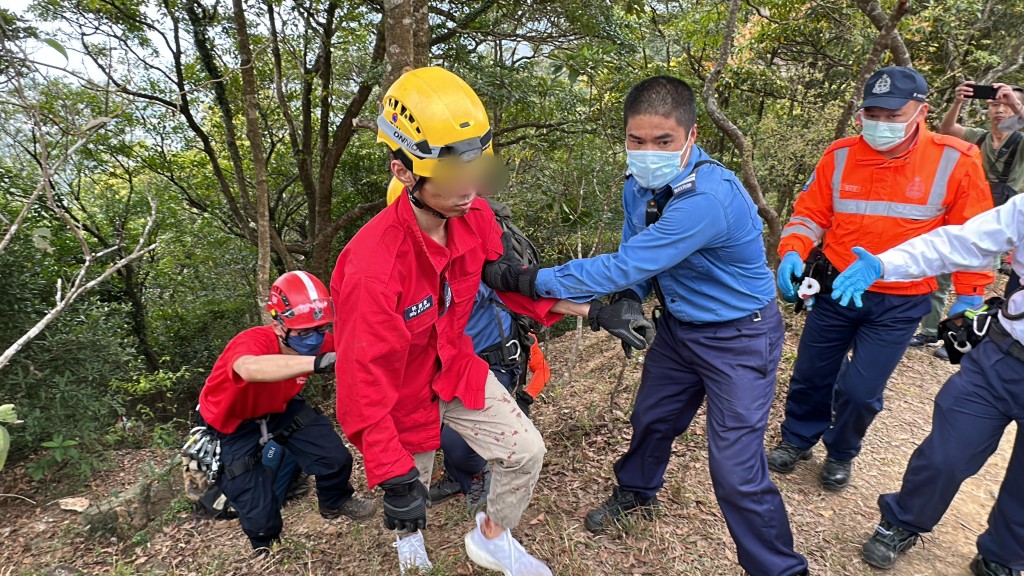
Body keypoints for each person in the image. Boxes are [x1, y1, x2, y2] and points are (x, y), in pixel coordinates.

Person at [331, 66, 652, 575]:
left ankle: (493, 538)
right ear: (403, 171)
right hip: (401, 394)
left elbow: (504, 286)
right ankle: (409, 543)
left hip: (457, 366)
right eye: (454, 177)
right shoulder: (371, 267)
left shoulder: (473, 216)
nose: (469, 189)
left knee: (525, 451)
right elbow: (360, 379)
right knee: (408, 489)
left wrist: (595, 312)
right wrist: (391, 478)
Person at [489, 75, 808, 576]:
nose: (648, 151)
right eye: (637, 141)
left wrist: (532, 280)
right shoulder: (637, 188)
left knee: (736, 470)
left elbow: (626, 262)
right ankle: (637, 492)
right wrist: (630, 301)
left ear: (691, 137)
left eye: (663, 142)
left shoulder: (706, 198)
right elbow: (637, 261)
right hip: (680, 330)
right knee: (652, 418)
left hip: (740, 337)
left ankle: (779, 569)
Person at [770, 66, 995, 492]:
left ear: (920, 112)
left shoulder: (955, 160)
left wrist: (971, 293)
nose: (882, 123)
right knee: (812, 373)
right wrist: (792, 251)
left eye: (893, 115)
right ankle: (798, 437)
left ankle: (841, 451)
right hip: (837, 286)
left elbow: (974, 235)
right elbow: (810, 213)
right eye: (873, 112)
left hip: (901, 299)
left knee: (861, 390)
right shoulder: (839, 155)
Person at [829, 194, 1024, 576]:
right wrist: (886, 263)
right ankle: (903, 520)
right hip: (1002, 357)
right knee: (946, 454)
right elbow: (960, 241)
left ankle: (1004, 555)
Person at [195, 271, 374, 553]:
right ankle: (264, 544)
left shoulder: (320, 341)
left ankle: (334, 501)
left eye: (320, 329)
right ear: (279, 326)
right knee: (258, 508)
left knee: (334, 457)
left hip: (279, 409)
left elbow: (362, 345)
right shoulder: (252, 341)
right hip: (232, 424)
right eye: (304, 332)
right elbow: (250, 368)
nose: (315, 339)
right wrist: (315, 363)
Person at [905, 82, 1024, 357]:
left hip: (1001, 224)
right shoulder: (979, 137)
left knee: (974, 278)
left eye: (1007, 104)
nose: (1000, 109)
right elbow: (949, 130)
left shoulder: (1019, 142)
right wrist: (958, 101)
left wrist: (1015, 103)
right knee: (941, 270)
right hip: (967, 212)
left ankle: (963, 339)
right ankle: (930, 330)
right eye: (995, 104)